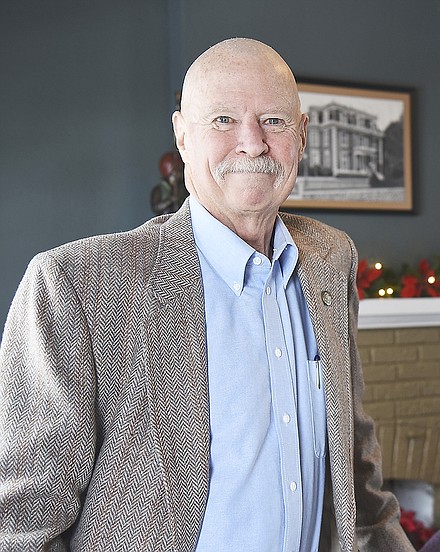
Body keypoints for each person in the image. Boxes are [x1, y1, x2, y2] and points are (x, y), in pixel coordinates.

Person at [0, 38, 414, 552]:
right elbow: (21, 527)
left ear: (302, 135)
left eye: (274, 121)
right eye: (223, 120)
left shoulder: (330, 258)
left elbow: (356, 466)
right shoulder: (74, 284)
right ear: (181, 135)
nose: (252, 143)